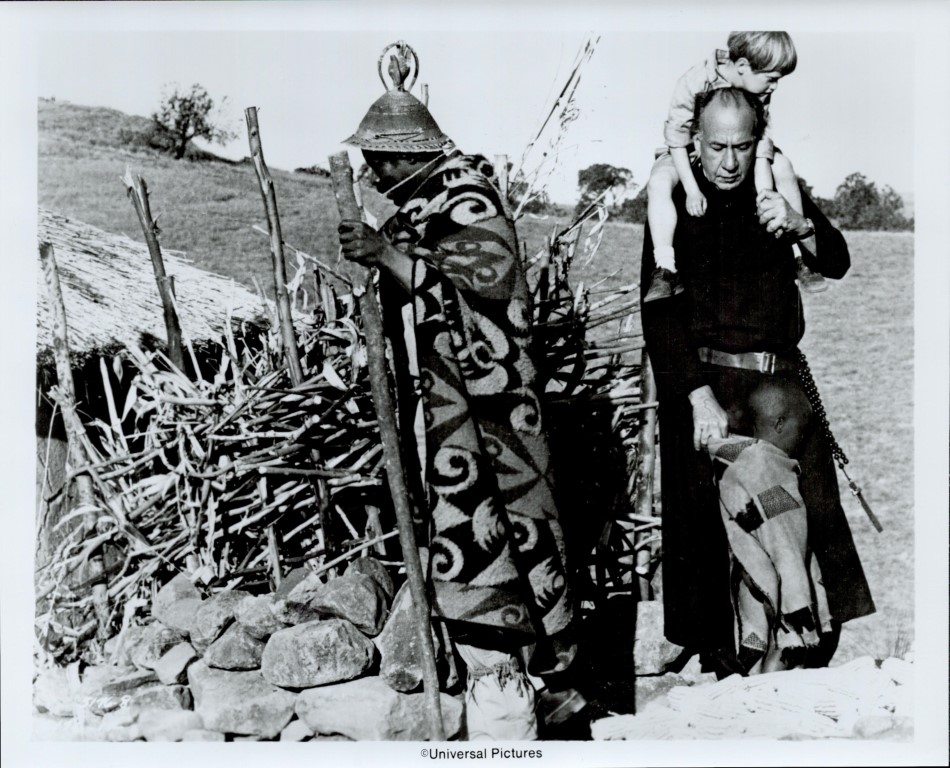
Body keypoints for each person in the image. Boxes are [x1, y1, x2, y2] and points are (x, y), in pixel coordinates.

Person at [336, 43, 578, 740]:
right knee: (464, 531)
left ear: (403, 157)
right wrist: (388, 256)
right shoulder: (419, 204)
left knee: (491, 536)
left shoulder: (469, 197)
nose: (369, 172)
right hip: (443, 409)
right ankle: (499, 700)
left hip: (486, 415)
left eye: (376, 160)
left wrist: (388, 255)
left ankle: (510, 711)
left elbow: (489, 291)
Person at [640, 86, 875, 678]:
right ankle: (734, 667)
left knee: (805, 534)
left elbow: (836, 261)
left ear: (757, 141)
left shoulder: (773, 188)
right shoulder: (674, 200)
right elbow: (659, 313)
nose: (728, 162)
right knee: (720, 555)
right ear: (695, 141)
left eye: (741, 147)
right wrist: (696, 396)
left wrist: (800, 224)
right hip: (709, 392)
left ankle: (799, 655)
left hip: (780, 392)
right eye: (716, 147)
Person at [644, 31, 825, 304]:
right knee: (659, 180)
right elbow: (677, 138)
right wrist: (692, 190)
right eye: (771, 78)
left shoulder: (757, 88)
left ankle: (800, 256)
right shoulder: (694, 81)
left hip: (744, 148)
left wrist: (766, 196)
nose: (775, 87)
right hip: (688, 150)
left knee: (783, 166)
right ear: (742, 66)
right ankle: (665, 268)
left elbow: (761, 145)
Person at [705, 379, 834, 675]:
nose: (801, 441)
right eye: (800, 431)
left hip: (748, 573)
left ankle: (752, 686)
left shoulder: (735, 456)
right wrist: (800, 607)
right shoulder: (771, 473)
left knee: (755, 640)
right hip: (777, 584)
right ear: (779, 424)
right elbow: (785, 544)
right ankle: (768, 692)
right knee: (785, 648)